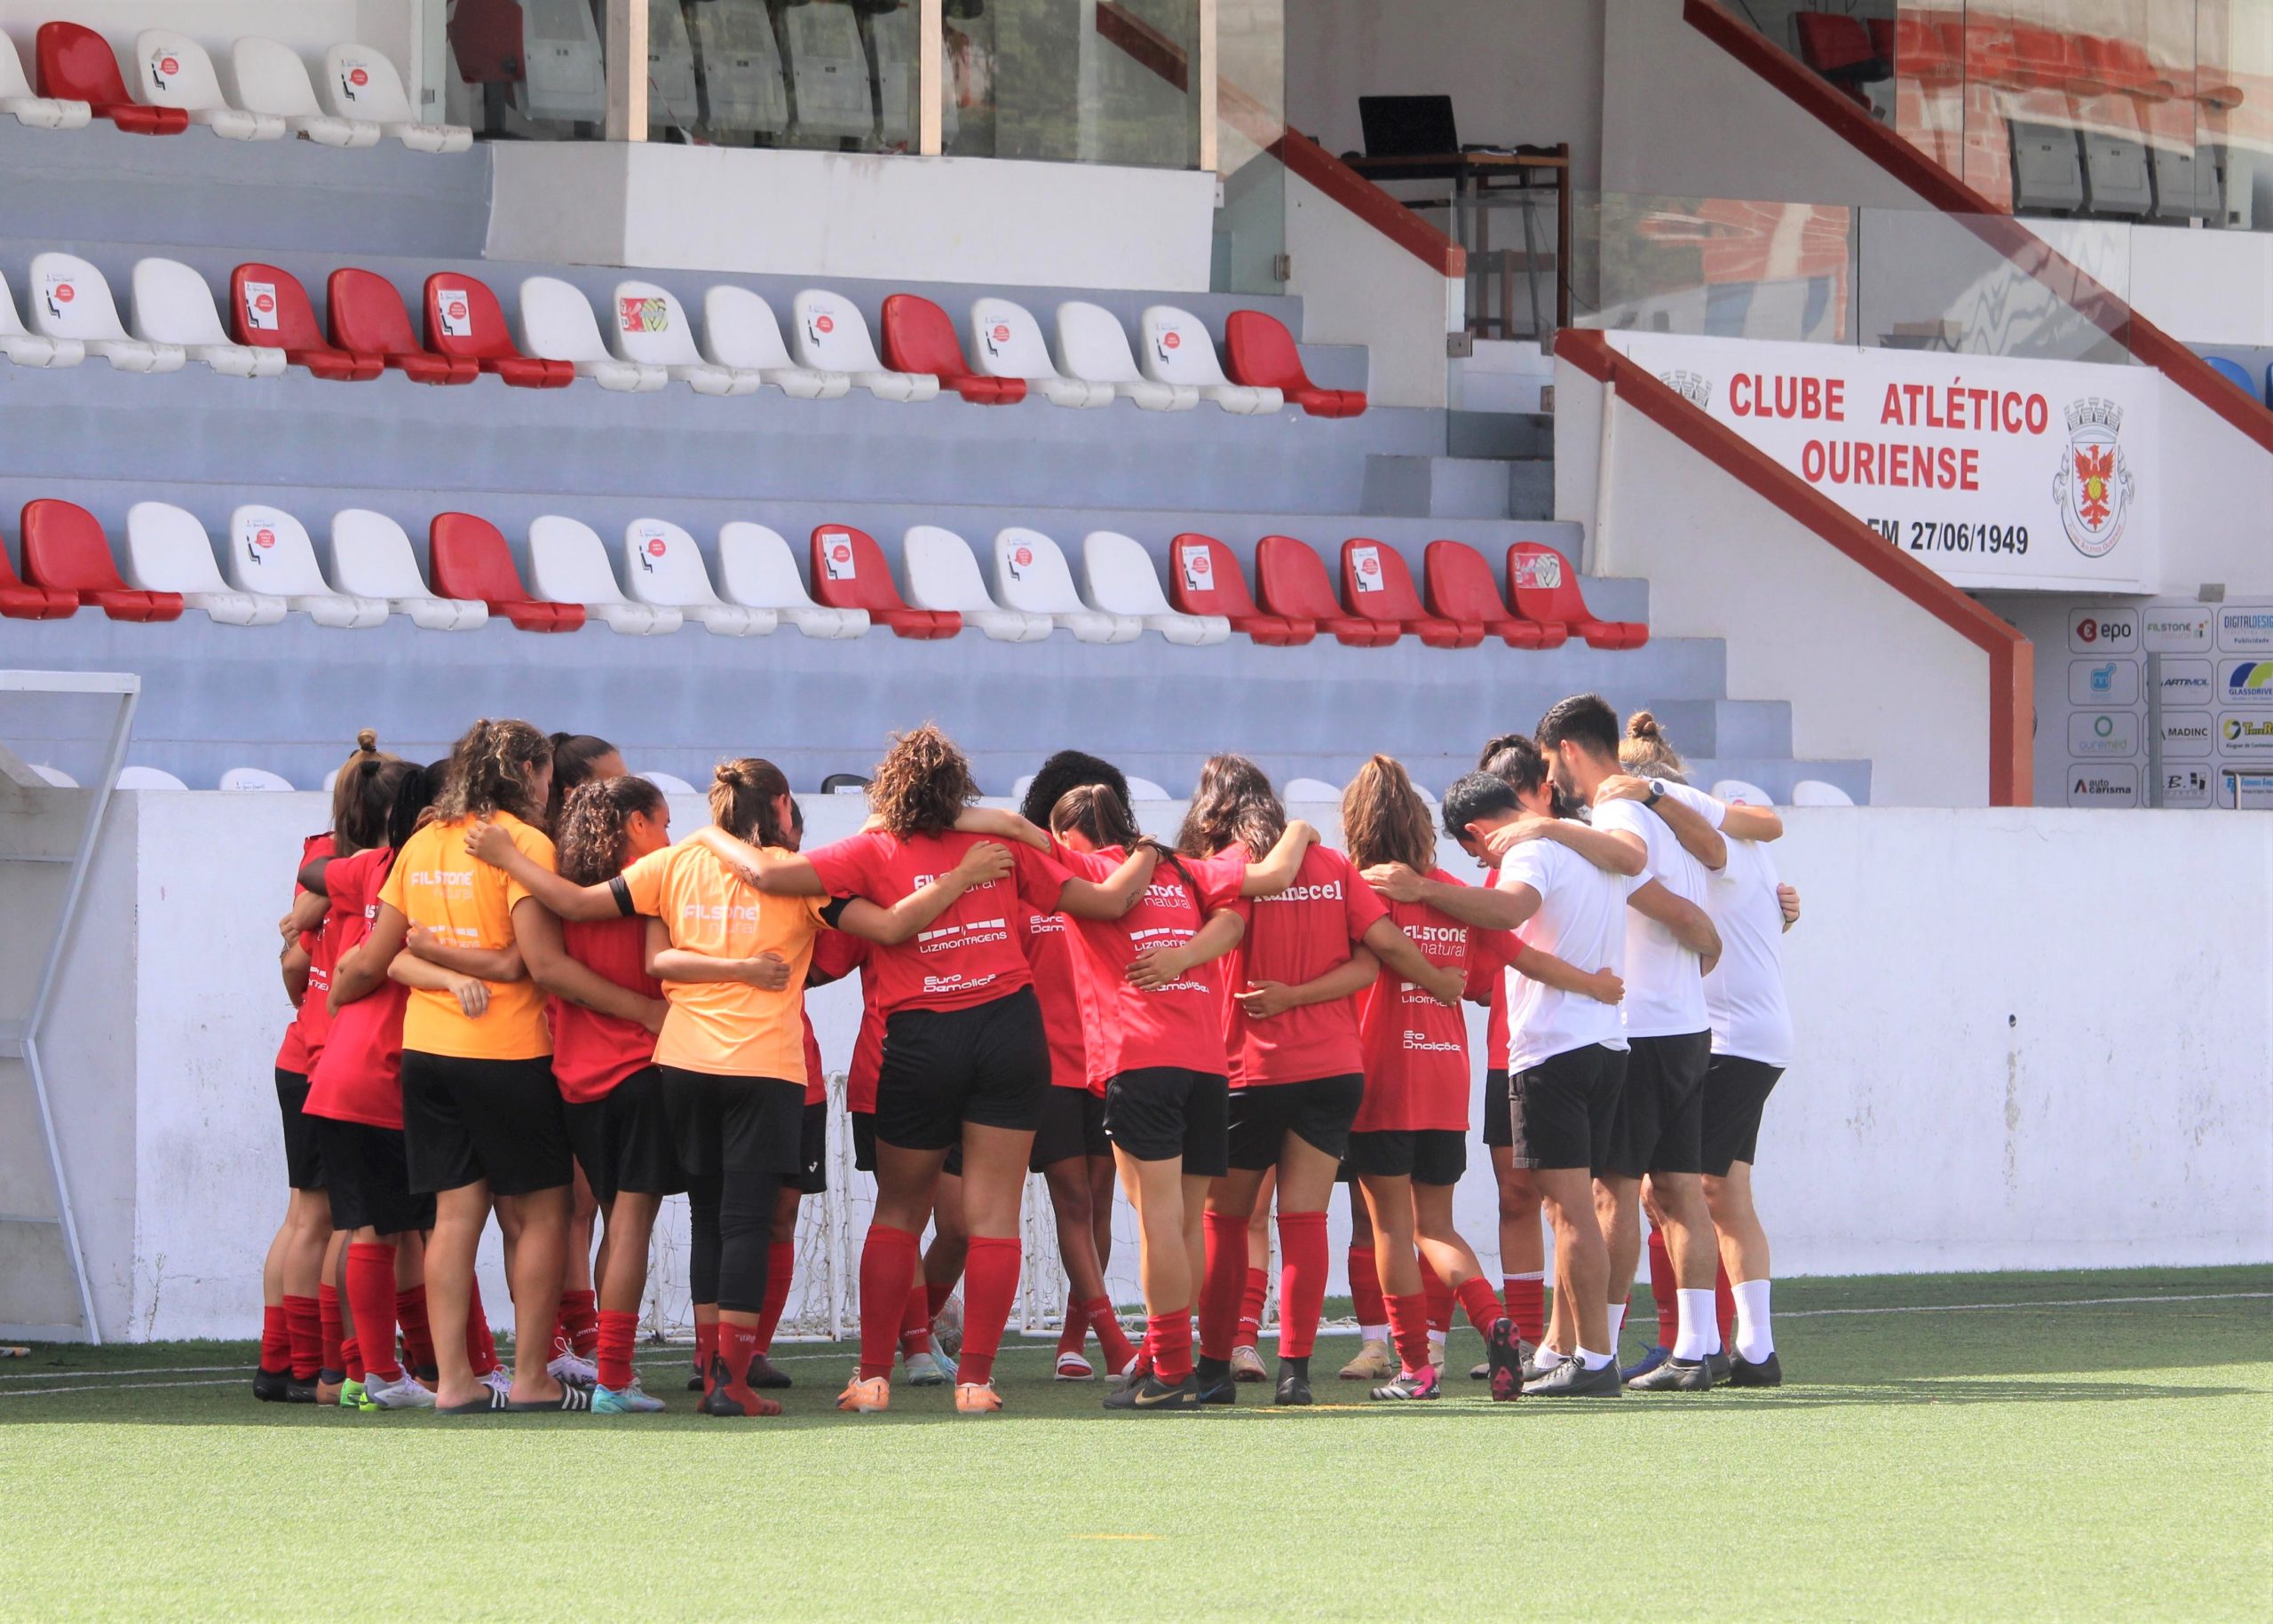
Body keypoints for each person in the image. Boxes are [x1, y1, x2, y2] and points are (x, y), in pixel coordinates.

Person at [471, 755, 1015, 1416]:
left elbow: (577, 904)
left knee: (708, 1215)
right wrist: (961, 877)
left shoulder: (675, 862)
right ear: (780, 805)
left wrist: (509, 857)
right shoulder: (797, 876)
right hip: (762, 1065)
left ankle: (710, 1370)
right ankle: (731, 1378)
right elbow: (894, 925)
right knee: (749, 1221)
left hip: (683, 1062)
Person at [1178, 754, 1466, 1407]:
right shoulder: (1333, 867)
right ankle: (1295, 1374)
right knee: (1305, 1219)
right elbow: (1380, 951)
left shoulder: (1227, 871)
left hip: (1251, 1066)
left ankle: (1216, 1368)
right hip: (1334, 1067)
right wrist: (1436, 980)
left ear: (1213, 810)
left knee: (1226, 1222)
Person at [1343, 755, 1624, 1399]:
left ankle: (1417, 1369)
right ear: (1423, 827)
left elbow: (1353, 968)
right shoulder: (1453, 893)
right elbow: (1521, 958)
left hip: (1382, 1074)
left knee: (1392, 1229)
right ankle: (1496, 1320)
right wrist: (1595, 985)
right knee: (1435, 1226)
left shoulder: (1358, 889)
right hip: (1447, 1078)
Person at [1037, 782, 1315, 1409]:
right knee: (1188, 1221)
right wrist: (1300, 830)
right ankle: (1169, 1359)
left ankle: (1168, 1371)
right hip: (1207, 1066)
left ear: (1068, 834)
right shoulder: (1186, 870)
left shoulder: (1084, 868)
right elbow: (1255, 894)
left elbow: (1030, 847)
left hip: (1140, 1059)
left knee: (1157, 1220)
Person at [352, 720, 589, 1411]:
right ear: (527, 770)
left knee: (454, 1217)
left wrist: (441, 961)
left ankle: (454, 1381)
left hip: (428, 1051)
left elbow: (383, 955)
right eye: (546, 774)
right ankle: (532, 1377)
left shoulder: (423, 840)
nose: (548, 789)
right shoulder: (524, 844)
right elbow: (534, 963)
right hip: (507, 1050)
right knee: (544, 1213)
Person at [1531, 694, 1726, 1392]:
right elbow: (1719, 852)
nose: (1550, 778)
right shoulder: (1662, 804)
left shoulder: (1617, 813)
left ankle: (1597, 1351)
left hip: (1641, 1028)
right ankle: (1697, 1346)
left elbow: (1671, 907)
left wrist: (1706, 939)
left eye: (1550, 761)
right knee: (1678, 1189)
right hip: (1685, 1023)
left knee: (1611, 1194)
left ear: (1569, 749)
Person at [1608, 717, 1801, 1385]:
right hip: (1753, 1033)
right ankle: (1752, 1349)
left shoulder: (1690, 826)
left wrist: (1652, 799)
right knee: (1723, 1190)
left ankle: (1695, 1345)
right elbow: (1757, 850)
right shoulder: (1731, 834)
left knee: (1674, 1189)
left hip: (1728, 1035)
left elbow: (1725, 843)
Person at [310, 757, 499, 1411]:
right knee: (385, 1231)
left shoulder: (378, 864)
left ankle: (373, 1370)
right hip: (380, 1072)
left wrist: (330, 960)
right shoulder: (423, 875)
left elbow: (321, 880)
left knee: (375, 1228)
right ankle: (382, 1372)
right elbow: (381, 959)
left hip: (345, 1067)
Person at [256, 730, 394, 1403]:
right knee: (336, 1222)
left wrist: (310, 1005)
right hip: (330, 1060)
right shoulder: (377, 870)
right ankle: (322, 1367)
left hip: (302, 1052)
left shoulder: (321, 856)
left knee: (303, 1217)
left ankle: (283, 1361)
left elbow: (293, 960)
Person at [1017, 755, 1140, 1383]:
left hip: (1109, 1060)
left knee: (1099, 1200)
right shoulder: (1027, 885)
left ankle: (1074, 1338)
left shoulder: (1120, 884)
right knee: (1071, 1197)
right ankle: (1112, 1339)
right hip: (1049, 1066)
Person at [540, 733, 630, 1381]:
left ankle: (589, 1331)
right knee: (567, 1204)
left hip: (597, 1050)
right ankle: (571, 1330)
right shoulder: (544, 857)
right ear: (572, 790)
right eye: (610, 782)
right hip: (548, 1045)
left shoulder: (608, 859)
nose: (623, 793)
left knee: (594, 1202)